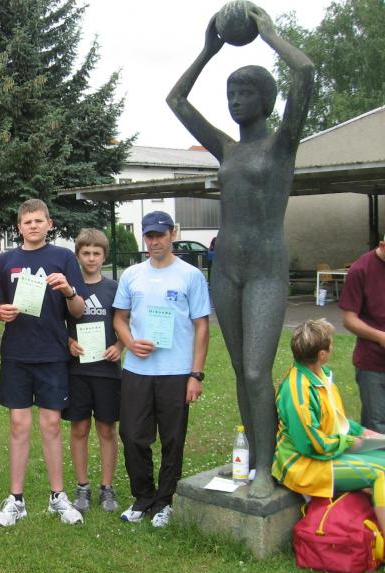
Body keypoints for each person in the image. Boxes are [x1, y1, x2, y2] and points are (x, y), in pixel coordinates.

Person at [166, 3, 314, 498]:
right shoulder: (228, 149)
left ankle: (267, 468)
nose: (235, 100)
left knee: (256, 369)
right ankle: (251, 460)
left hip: (266, 267)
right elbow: (177, 100)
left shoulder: (282, 145)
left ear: (266, 100)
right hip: (226, 266)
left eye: (246, 92)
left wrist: (267, 33)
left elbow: (305, 72)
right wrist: (208, 51)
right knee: (238, 369)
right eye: (231, 92)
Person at [0, 198, 87, 526]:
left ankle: (57, 496)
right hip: (16, 354)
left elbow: (79, 310)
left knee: (51, 425)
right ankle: (16, 500)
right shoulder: (6, 261)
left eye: (38, 220)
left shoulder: (63, 257)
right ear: (19, 227)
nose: (33, 226)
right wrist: (0, 312)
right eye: (27, 221)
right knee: (19, 425)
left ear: (49, 223)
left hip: (52, 354)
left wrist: (69, 291)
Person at [113, 211, 210, 528]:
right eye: (149, 236)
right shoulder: (132, 275)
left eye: (160, 235)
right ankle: (142, 497)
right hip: (137, 371)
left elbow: (202, 326)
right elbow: (119, 318)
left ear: (173, 234)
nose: (154, 241)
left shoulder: (190, 275)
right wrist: (130, 342)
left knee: (172, 439)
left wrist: (195, 374)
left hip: (176, 372)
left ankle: (165, 501)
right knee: (132, 436)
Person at [273, 319, 385, 532]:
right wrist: (351, 442)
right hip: (304, 466)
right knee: (381, 472)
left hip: (326, 454)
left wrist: (366, 434)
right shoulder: (298, 391)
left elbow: (335, 419)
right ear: (322, 355)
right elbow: (312, 445)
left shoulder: (321, 375)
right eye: (331, 344)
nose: (333, 346)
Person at [64, 229, 123, 513]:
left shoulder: (114, 288)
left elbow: (125, 323)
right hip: (77, 371)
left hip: (107, 371)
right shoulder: (69, 289)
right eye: (85, 253)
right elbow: (57, 323)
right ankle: (82, 487)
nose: (91, 258)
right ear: (78, 255)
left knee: (107, 429)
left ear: (104, 256)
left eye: (96, 253)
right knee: (79, 428)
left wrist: (120, 346)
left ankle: (107, 488)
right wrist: (68, 343)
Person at [338, 235, 385, 434]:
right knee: (377, 428)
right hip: (373, 365)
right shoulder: (360, 270)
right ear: (382, 246)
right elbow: (349, 320)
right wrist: (380, 337)